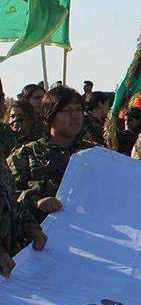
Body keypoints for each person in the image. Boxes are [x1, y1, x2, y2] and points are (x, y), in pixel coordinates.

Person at [8, 86, 95, 224]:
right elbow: (9, 195)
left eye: (79, 109)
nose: (75, 116)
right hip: (42, 231)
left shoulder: (95, 153)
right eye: (67, 110)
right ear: (49, 116)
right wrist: (37, 201)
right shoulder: (25, 154)